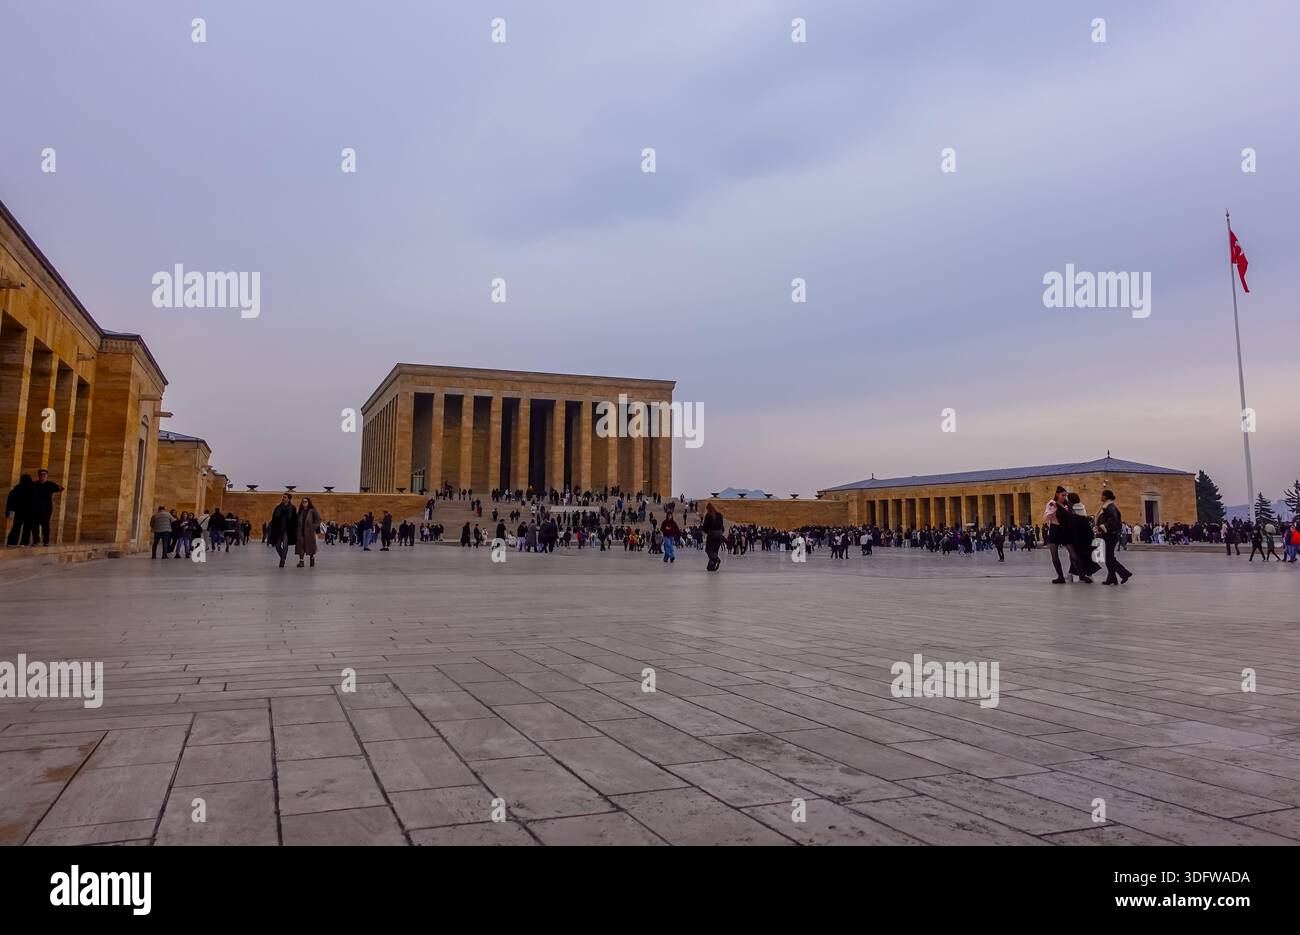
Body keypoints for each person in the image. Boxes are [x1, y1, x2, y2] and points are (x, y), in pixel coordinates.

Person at [1094, 490, 1132, 585]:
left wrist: (1101, 527)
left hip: (1110, 535)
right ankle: (1112, 578)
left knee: (1108, 557)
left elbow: (1113, 521)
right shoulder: (1107, 507)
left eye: (1102, 495)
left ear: (1106, 496)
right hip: (1108, 534)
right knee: (1108, 557)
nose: (1100, 496)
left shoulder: (1109, 507)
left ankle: (1124, 573)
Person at [29, 469, 63, 546]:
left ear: (47, 476)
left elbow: (60, 488)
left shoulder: (50, 484)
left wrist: (59, 488)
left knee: (45, 526)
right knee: (35, 525)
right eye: (41, 474)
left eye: (44, 475)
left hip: (46, 509)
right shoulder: (34, 484)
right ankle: (36, 541)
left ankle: (46, 541)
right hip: (35, 509)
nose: (43, 476)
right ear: (38, 475)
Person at [1044, 487, 1069, 583]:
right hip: (1055, 529)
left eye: (1065, 495)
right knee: (1054, 555)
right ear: (1057, 494)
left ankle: (1082, 575)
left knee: (1072, 553)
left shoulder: (1066, 504)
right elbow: (1046, 517)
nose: (1064, 497)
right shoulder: (1051, 504)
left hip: (1065, 529)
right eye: (1063, 495)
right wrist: (1053, 510)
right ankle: (1060, 576)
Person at [5, 474, 36, 547]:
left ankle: (12, 542)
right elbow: (35, 502)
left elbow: (10, 501)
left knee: (16, 526)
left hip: (19, 511)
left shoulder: (17, 489)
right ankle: (24, 543)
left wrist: (9, 511)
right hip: (30, 512)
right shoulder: (33, 489)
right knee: (27, 528)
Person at [269, 493, 297, 568]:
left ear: (289, 499)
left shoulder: (293, 508)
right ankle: (283, 558)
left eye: (285, 497)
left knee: (285, 545)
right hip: (278, 530)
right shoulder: (278, 507)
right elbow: (274, 519)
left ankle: (282, 561)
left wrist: (294, 530)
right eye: (283, 497)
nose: (283, 498)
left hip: (287, 531)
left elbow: (294, 520)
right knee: (277, 546)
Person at [295, 497, 321, 567]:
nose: (304, 503)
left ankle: (312, 558)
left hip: (310, 532)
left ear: (309, 502)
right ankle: (301, 561)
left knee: (310, 547)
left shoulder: (312, 510)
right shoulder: (300, 511)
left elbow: (318, 520)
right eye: (303, 501)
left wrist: (313, 527)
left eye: (306, 501)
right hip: (301, 532)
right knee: (301, 547)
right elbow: (296, 521)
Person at [702, 503, 724, 572]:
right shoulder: (719, 515)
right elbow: (721, 525)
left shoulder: (708, 515)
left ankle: (716, 559)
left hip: (712, 534)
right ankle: (711, 567)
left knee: (708, 550)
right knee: (715, 551)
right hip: (719, 534)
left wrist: (706, 531)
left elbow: (705, 527)